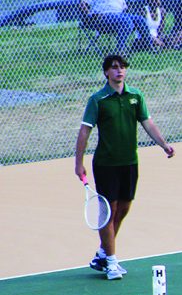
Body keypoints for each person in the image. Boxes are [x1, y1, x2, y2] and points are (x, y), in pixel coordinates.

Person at [74, 54, 175, 280]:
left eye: (122, 67)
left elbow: (147, 123)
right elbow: (84, 132)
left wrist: (164, 145)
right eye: (114, 68)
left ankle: (102, 253)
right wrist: (78, 163)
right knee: (108, 212)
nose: (119, 71)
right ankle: (111, 262)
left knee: (124, 208)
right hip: (106, 164)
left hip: (129, 162)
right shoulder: (97, 100)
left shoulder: (136, 96)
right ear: (106, 73)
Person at [78, 0, 154, 55]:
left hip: (120, 15)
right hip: (101, 17)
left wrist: (135, 11)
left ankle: (149, 46)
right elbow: (82, 4)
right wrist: (90, 15)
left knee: (139, 19)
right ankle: (120, 50)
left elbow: (125, 8)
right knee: (125, 21)